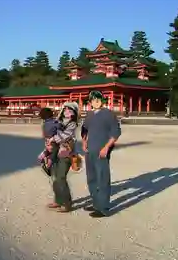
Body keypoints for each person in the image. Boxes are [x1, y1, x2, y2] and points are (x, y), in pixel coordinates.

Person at [81, 90, 122, 218]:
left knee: (102, 178)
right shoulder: (90, 114)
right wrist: (84, 141)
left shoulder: (108, 114)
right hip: (89, 151)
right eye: (93, 100)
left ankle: (103, 208)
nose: (96, 102)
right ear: (90, 102)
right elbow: (84, 129)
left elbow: (116, 132)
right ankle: (96, 203)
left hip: (101, 151)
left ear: (102, 101)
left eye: (98, 99)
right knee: (91, 178)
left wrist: (106, 147)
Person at [45, 102, 80, 213]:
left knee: (61, 177)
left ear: (74, 113)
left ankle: (67, 203)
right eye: (65, 110)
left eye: (70, 110)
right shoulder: (58, 121)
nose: (67, 112)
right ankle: (58, 201)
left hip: (66, 153)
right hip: (55, 152)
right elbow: (51, 131)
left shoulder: (73, 124)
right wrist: (48, 141)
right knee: (54, 177)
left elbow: (65, 135)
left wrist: (53, 138)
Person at [38, 107, 61, 177]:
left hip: (47, 140)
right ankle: (48, 167)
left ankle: (41, 157)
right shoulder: (54, 122)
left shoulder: (44, 124)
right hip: (53, 141)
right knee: (53, 154)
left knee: (48, 150)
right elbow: (60, 126)